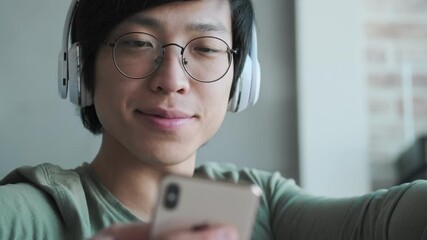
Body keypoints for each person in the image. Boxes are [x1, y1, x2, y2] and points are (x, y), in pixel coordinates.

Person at [1, 0, 427, 239]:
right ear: (80, 70)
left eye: (205, 48)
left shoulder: (260, 202)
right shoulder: (34, 214)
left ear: (242, 79)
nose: (171, 81)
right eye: (136, 42)